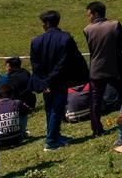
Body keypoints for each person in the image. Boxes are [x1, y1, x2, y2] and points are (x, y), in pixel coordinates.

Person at [30, 10, 89, 151]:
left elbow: (35, 64)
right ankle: (51, 140)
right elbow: (66, 62)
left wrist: (44, 81)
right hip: (61, 80)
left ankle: (54, 135)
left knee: (50, 108)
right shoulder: (66, 38)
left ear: (47, 23)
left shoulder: (36, 41)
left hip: (45, 81)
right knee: (57, 108)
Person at [83, 1, 122, 136]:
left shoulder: (87, 30)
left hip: (96, 69)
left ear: (95, 13)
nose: (89, 18)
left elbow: (92, 49)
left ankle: (97, 129)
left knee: (95, 101)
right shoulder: (114, 25)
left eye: (89, 15)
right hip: (115, 67)